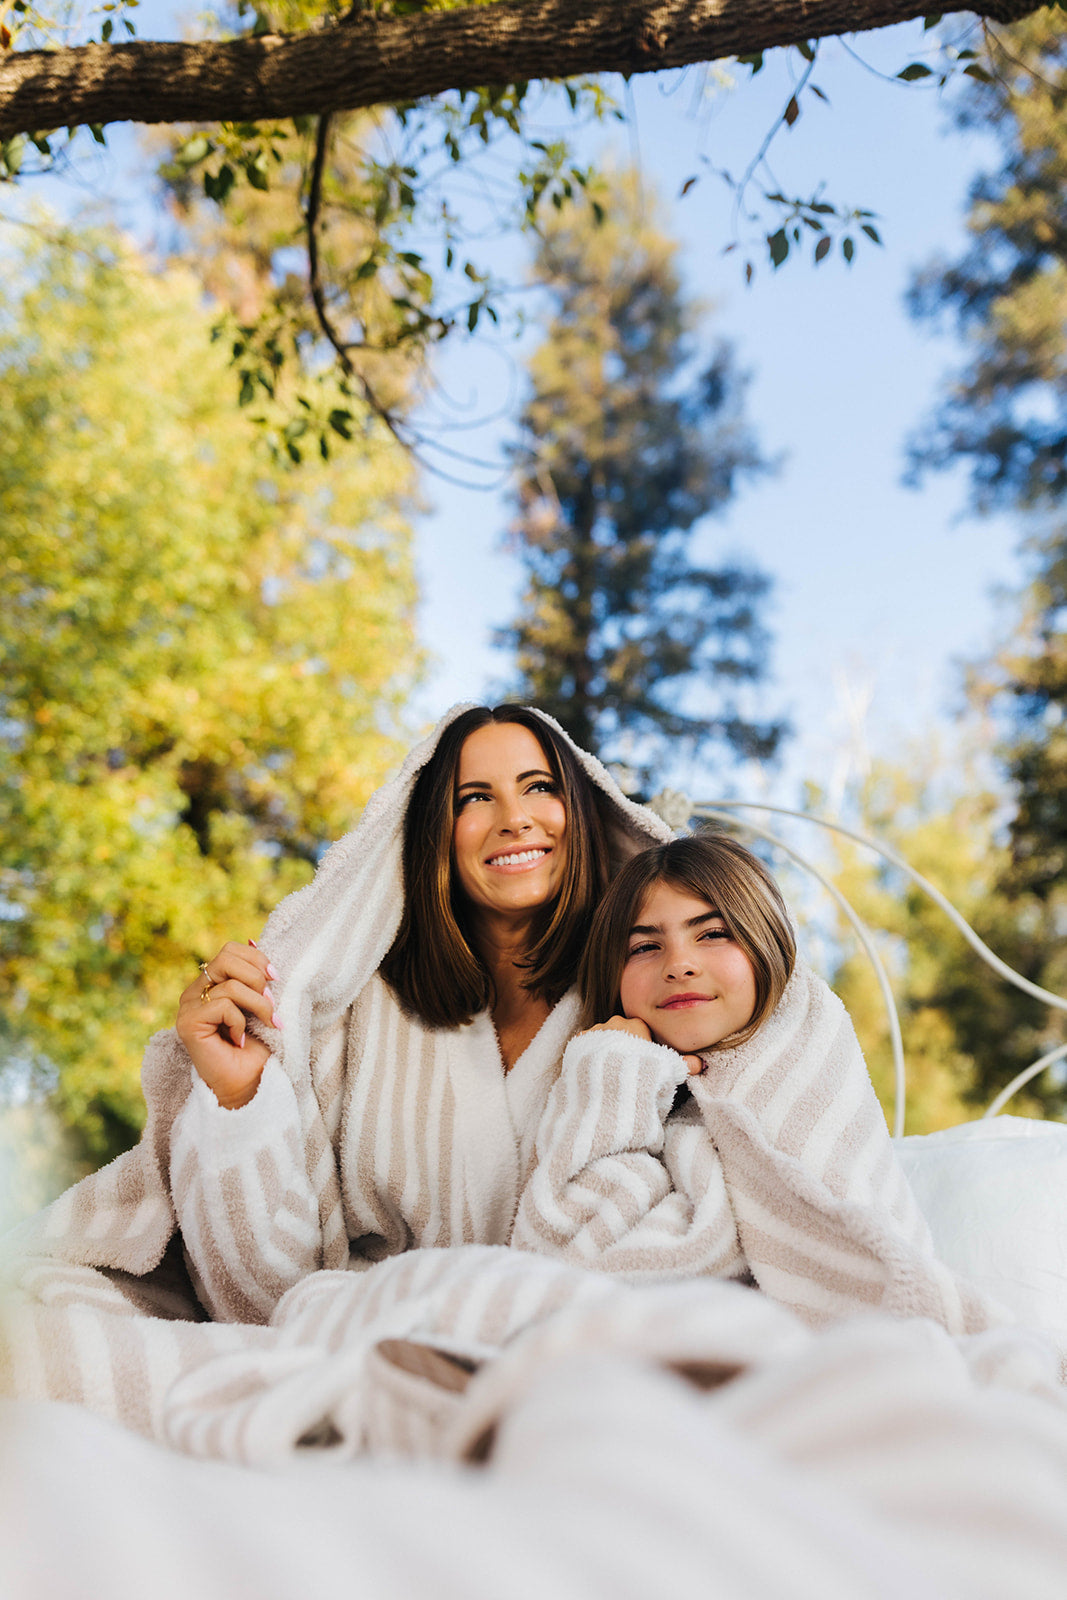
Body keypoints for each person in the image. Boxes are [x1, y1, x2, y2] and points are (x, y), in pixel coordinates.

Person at [0, 705, 673, 1433]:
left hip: (567, 1352)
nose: (513, 817)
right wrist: (238, 1097)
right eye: (472, 798)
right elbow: (260, 1298)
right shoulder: (351, 1013)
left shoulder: (654, 1002)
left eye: (538, 787)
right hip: (357, 1341)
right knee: (32, 1336)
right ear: (431, 835)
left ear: (581, 809)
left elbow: (686, 1235)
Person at [512, 835, 1001, 1337]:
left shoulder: (812, 1069)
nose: (679, 964)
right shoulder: (611, 1087)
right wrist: (614, 1070)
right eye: (645, 946)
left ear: (765, 947)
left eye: (712, 934)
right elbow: (559, 1261)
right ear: (612, 976)